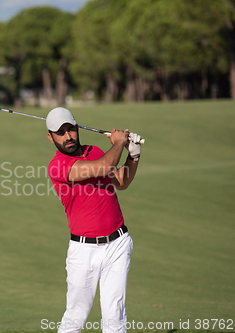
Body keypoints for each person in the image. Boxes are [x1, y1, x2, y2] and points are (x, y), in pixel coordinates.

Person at [46, 107, 142, 333]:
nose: (67, 136)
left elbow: (121, 181)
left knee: (114, 315)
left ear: (78, 129)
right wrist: (118, 142)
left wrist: (133, 154)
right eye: (60, 133)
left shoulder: (96, 150)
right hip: (83, 251)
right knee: (76, 315)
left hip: (117, 243)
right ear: (51, 138)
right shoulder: (57, 166)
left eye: (71, 129)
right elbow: (104, 166)